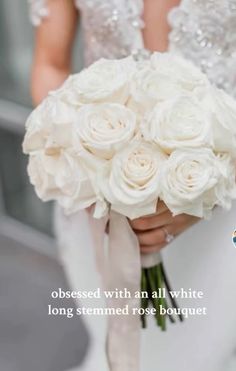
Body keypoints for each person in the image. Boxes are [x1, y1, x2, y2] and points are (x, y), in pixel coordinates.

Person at [28, 1, 236, 370]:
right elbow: (51, 65)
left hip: (225, 214)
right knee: (124, 349)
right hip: (100, 205)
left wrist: (205, 186)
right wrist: (90, 163)